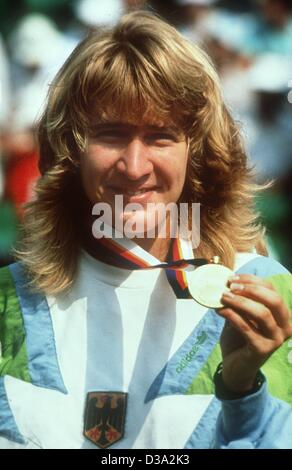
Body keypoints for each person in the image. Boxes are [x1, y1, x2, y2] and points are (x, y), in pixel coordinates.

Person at [0, 11, 292, 450]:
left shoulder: (265, 293)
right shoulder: (9, 301)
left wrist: (240, 385)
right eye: (110, 135)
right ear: (70, 149)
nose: (135, 168)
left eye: (161, 136)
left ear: (197, 151)